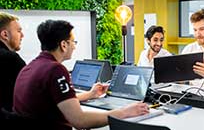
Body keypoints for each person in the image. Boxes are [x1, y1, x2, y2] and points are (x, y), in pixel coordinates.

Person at [13, 20, 149, 130]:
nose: (74, 46)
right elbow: (80, 121)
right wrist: (124, 112)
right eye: (73, 42)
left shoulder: (31, 66)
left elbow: (57, 100)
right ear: (63, 45)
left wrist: (90, 94)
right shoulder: (55, 70)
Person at [0, 12, 26, 112]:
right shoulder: (11, 59)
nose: (22, 35)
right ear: (5, 34)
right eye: (19, 31)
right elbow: (34, 91)